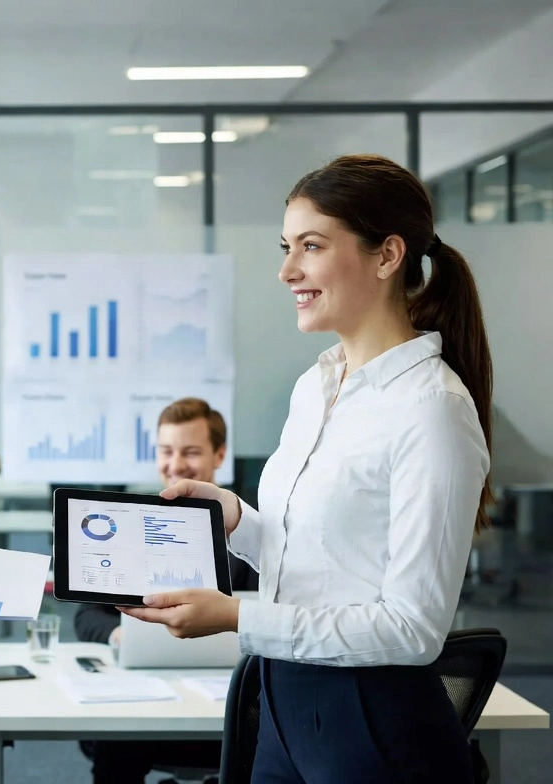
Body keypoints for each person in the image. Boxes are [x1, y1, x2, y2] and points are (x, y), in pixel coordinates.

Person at [121, 154, 492, 784]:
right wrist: (235, 519)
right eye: (287, 246)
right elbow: (325, 561)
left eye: (311, 246)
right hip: (284, 705)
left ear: (386, 255)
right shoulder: (316, 386)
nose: (287, 269)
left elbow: (412, 631)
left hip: (371, 721)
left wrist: (237, 615)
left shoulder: (430, 408)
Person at [74, 396, 256, 784]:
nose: (175, 465)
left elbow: (264, 612)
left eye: (190, 452)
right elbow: (86, 614)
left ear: (220, 455)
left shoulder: (250, 531)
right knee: (113, 745)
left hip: (220, 702)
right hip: (141, 698)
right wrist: (119, 633)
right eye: (166, 451)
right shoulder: (127, 522)